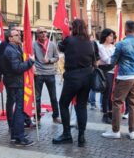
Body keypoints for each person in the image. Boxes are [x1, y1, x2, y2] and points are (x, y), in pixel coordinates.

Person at [52, 19, 97, 147]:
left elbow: (60, 47)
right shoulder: (90, 42)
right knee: (81, 106)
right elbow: (94, 60)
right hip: (87, 77)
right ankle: (81, 136)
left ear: (74, 28)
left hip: (73, 77)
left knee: (63, 103)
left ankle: (67, 134)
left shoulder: (69, 40)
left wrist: (65, 36)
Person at [102, 20, 134, 140]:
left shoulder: (121, 44)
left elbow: (113, 61)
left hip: (125, 75)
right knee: (133, 104)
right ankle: (132, 132)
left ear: (126, 30)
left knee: (117, 102)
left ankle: (115, 130)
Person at [0, 25, 35, 130]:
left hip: (18, 79)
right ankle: (12, 125)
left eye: (20, 33)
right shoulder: (5, 46)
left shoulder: (18, 46)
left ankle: (25, 121)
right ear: (10, 37)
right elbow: (1, 62)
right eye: (17, 33)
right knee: (12, 103)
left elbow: (21, 59)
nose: (20, 35)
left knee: (20, 103)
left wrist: (30, 65)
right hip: (11, 79)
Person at [33, 27, 61, 127]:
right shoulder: (34, 44)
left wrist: (49, 60)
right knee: (37, 98)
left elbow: (57, 57)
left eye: (45, 31)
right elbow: (31, 58)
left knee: (53, 97)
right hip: (39, 74)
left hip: (50, 74)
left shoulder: (52, 44)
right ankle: (37, 118)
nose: (44, 34)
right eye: (41, 32)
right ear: (37, 34)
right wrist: (33, 68)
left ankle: (55, 116)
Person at [97, 28, 116, 124]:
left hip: (114, 72)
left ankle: (111, 113)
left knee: (112, 94)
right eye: (110, 36)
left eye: (113, 36)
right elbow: (106, 59)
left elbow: (112, 60)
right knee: (106, 93)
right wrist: (113, 60)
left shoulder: (113, 47)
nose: (112, 38)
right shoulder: (100, 47)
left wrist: (113, 60)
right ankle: (105, 114)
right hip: (106, 72)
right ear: (105, 36)